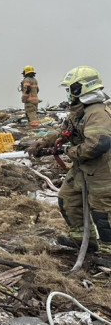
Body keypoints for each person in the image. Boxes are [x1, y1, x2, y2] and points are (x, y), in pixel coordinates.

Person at [28, 66, 111, 253]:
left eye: (70, 88)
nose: (68, 93)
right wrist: (42, 143)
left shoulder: (97, 113)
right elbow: (63, 131)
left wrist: (69, 151)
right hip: (83, 168)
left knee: (104, 213)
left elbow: (98, 144)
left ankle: (108, 252)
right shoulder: (80, 111)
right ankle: (83, 241)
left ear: (81, 88)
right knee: (68, 199)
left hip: (103, 171)